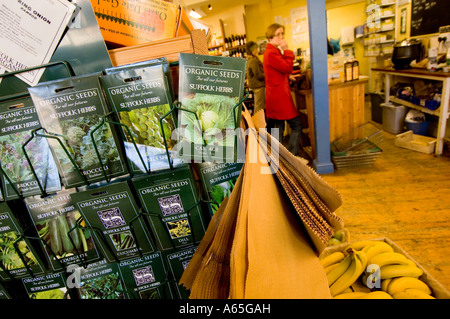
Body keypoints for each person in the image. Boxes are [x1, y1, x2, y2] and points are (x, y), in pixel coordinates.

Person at [263, 23, 302, 156]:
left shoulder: (271, 51)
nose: (281, 37)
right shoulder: (272, 52)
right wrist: (287, 50)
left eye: (282, 33)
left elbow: (277, 71)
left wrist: (287, 77)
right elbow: (287, 67)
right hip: (280, 96)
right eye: (278, 34)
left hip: (275, 96)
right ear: (270, 36)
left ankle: (280, 161)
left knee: (278, 129)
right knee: (296, 126)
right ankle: (292, 157)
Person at [245, 41, 266, 115]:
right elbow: (258, 75)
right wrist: (268, 74)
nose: (257, 50)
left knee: (259, 106)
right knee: (259, 107)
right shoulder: (253, 61)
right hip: (258, 86)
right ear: (252, 50)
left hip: (256, 86)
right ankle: (258, 125)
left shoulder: (250, 60)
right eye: (255, 49)